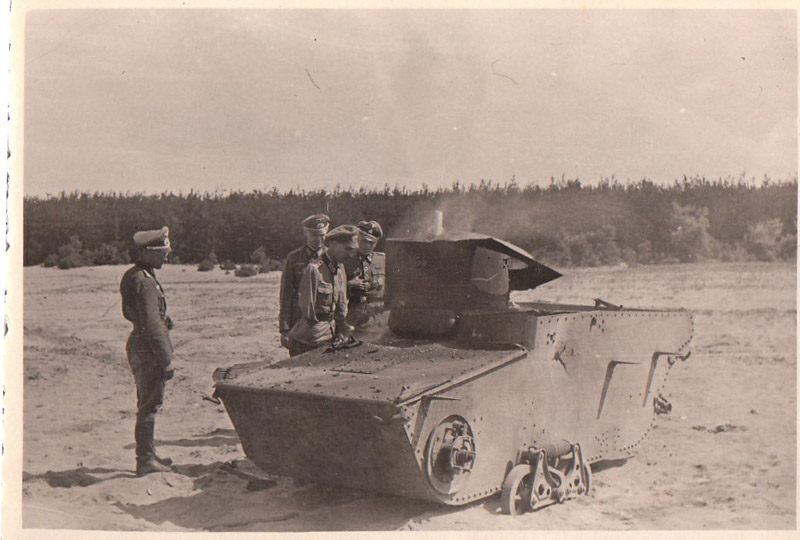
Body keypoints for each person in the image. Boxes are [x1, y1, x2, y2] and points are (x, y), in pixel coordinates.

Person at [119, 227, 175, 476]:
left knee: (148, 403)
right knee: (149, 405)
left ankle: (149, 454)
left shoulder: (136, 275)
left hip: (141, 344)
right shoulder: (144, 281)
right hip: (148, 349)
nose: (166, 256)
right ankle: (144, 460)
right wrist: (166, 359)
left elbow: (136, 314)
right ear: (147, 252)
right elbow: (151, 325)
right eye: (161, 252)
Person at [286, 225, 358, 356]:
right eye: (347, 249)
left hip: (329, 336)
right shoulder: (314, 270)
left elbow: (341, 307)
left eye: (352, 250)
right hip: (310, 341)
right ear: (333, 244)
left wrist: (341, 330)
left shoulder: (340, 269)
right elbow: (308, 312)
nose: (350, 254)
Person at [278, 214, 330, 351]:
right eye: (314, 235)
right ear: (305, 233)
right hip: (299, 324)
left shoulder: (331, 258)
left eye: (322, 235)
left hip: (324, 327)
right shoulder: (294, 258)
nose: (319, 239)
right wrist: (284, 329)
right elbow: (286, 295)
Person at [345, 220, 386, 328]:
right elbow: (334, 286)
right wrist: (349, 284)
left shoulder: (383, 260)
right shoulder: (347, 260)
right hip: (353, 312)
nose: (367, 245)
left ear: (376, 243)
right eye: (363, 241)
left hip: (378, 315)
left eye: (371, 243)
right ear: (357, 239)